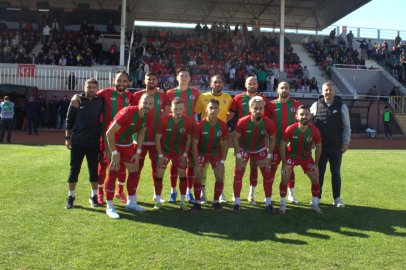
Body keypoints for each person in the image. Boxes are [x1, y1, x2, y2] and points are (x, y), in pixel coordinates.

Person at [70, 71, 137, 206]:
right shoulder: (105, 93)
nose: (121, 84)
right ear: (114, 81)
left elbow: (137, 111)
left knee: (122, 166)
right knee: (104, 165)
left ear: (128, 83)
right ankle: (99, 193)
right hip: (107, 137)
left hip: (124, 138)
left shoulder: (130, 96)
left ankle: (120, 191)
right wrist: (76, 96)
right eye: (119, 81)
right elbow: (89, 95)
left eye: (124, 81)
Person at [104, 94, 154, 219]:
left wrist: (138, 152)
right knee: (113, 171)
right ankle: (109, 207)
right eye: (145, 103)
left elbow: (141, 134)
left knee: (134, 169)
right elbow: (109, 133)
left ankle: (131, 203)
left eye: (150, 104)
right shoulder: (127, 112)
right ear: (139, 102)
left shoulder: (148, 117)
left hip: (126, 143)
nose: (147, 106)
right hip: (113, 142)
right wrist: (114, 154)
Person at [228, 76, 271, 204]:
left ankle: (251, 194)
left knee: (254, 167)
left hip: (258, 141)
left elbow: (266, 119)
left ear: (257, 85)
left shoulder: (263, 99)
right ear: (245, 85)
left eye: (254, 83)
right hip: (242, 141)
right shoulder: (238, 98)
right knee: (240, 168)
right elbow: (230, 115)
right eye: (249, 83)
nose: (252, 86)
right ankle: (236, 196)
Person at [232, 96, 276, 214]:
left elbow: (272, 139)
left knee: (267, 174)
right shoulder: (242, 121)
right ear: (250, 109)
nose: (258, 110)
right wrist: (238, 156)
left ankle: (268, 203)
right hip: (244, 149)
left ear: (264, 109)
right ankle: (237, 202)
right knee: (238, 174)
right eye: (255, 108)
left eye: (260, 108)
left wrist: (269, 156)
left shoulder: (269, 123)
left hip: (259, 149)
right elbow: (235, 138)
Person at [310, 82, 351, 208]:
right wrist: (311, 142)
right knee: (319, 173)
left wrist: (346, 142)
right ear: (322, 92)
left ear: (334, 92)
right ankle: (317, 197)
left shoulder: (342, 107)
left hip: (336, 146)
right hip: (320, 147)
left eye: (330, 90)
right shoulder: (315, 105)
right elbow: (311, 125)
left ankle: (336, 198)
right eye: (325, 90)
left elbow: (346, 126)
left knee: (336, 172)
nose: (328, 92)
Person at [65, 78, 104, 209]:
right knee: (74, 169)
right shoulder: (77, 101)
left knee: (93, 171)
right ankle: (71, 197)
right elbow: (68, 121)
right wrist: (67, 137)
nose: (91, 89)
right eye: (89, 87)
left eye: (94, 87)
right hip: (78, 142)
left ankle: (93, 196)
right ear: (84, 87)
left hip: (94, 142)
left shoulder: (100, 101)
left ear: (97, 89)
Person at [194, 75, 233, 203]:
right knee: (202, 168)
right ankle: (202, 194)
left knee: (220, 169)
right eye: (215, 82)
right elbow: (197, 113)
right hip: (204, 137)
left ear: (223, 84)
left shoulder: (228, 98)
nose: (217, 84)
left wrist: (222, 125)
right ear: (210, 84)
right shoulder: (202, 97)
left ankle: (220, 194)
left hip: (220, 136)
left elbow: (230, 113)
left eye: (219, 82)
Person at [164, 68, 200, 204]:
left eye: (186, 76)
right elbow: (167, 112)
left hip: (190, 131)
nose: (184, 78)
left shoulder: (195, 92)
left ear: (189, 78)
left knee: (190, 163)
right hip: (174, 132)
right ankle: (173, 192)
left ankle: (189, 192)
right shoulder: (170, 92)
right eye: (181, 76)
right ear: (177, 78)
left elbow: (200, 111)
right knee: (174, 162)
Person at [279, 105, 322, 214]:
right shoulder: (290, 129)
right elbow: (282, 146)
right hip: (291, 156)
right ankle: (283, 204)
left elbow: (319, 146)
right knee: (285, 177)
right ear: (297, 116)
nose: (304, 116)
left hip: (305, 157)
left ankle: (314, 204)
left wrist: (316, 164)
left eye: (306, 114)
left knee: (316, 178)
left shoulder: (315, 131)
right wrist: (284, 163)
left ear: (310, 116)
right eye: (301, 114)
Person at [153, 98, 194, 211]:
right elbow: (157, 140)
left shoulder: (189, 121)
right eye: (175, 109)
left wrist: (185, 155)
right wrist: (160, 156)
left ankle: (182, 202)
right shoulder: (164, 120)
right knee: (159, 174)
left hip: (179, 151)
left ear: (184, 109)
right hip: (164, 150)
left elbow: (189, 139)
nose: (178, 111)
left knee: (182, 173)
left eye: (180, 109)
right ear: (171, 109)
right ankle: (157, 202)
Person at [133, 71, 166, 203]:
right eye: (149, 79)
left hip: (156, 139)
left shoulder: (162, 95)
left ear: (157, 82)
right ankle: (132, 194)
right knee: (136, 167)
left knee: (157, 167)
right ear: (144, 81)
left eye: (154, 79)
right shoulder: (136, 95)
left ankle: (157, 195)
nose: (151, 81)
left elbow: (166, 113)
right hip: (139, 138)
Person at [191, 99, 229, 211]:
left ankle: (216, 201)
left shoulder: (223, 125)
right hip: (201, 153)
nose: (213, 110)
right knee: (197, 176)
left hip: (215, 153)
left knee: (220, 176)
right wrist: (197, 164)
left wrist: (222, 162)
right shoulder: (199, 125)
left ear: (218, 110)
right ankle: (197, 202)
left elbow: (226, 145)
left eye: (215, 108)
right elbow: (194, 146)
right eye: (211, 108)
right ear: (206, 109)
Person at [267, 82, 301, 204]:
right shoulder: (271, 104)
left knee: (289, 169)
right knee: (272, 169)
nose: (284, 90)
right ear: (277, 90)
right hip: (275, 143)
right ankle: (268, 196)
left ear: (289, 89)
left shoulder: (296, 104)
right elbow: (266, 123)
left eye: (286, 88)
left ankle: (291, 195)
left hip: (291, 144)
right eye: (282, 88)